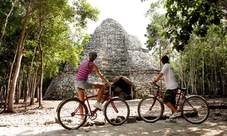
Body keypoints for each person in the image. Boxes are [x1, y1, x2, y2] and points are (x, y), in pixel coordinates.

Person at [153, 55, 181, 122]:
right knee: (172, 102)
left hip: (171, 87)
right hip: (174, 86)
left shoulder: (166, 66)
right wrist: (159, 79)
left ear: (162, 61)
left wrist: (155, 81)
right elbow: (167, 77)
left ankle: (176, 112)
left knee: (165, 100)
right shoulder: (170, 66)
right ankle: (173, 118)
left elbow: (161, 73)